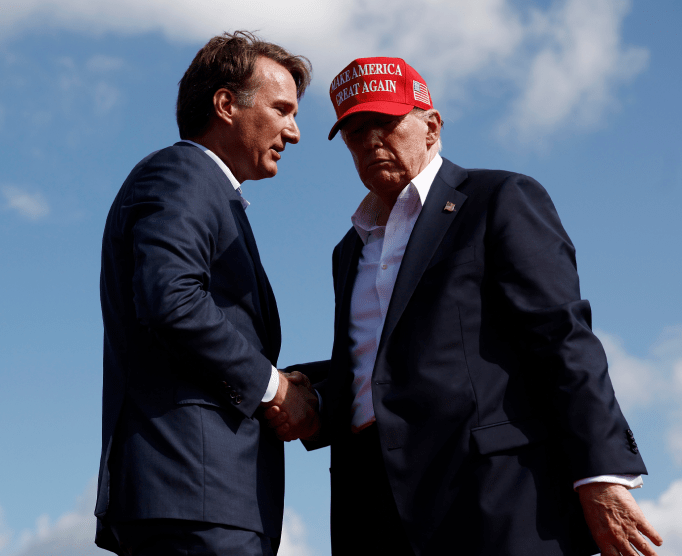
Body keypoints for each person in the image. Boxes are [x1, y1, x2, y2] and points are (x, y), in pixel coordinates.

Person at [272, 56, 664, 555]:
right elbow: (381, 365)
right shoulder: (349, 249)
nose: (371, 140)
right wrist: (308, 391)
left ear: (431, 126)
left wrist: (601, 473)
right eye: (355, 131)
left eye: (386, 122)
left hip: (494, 500)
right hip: (373, 506)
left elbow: (560, 336)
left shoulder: (498, 199)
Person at [94, 31, 318, 556]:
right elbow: (171, 300)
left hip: (204, 500)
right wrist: (276, 389)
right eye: (282, 109)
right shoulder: (184, 172)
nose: (295, 131)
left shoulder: (208, 189)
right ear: (225, 105)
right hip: (195, 497)